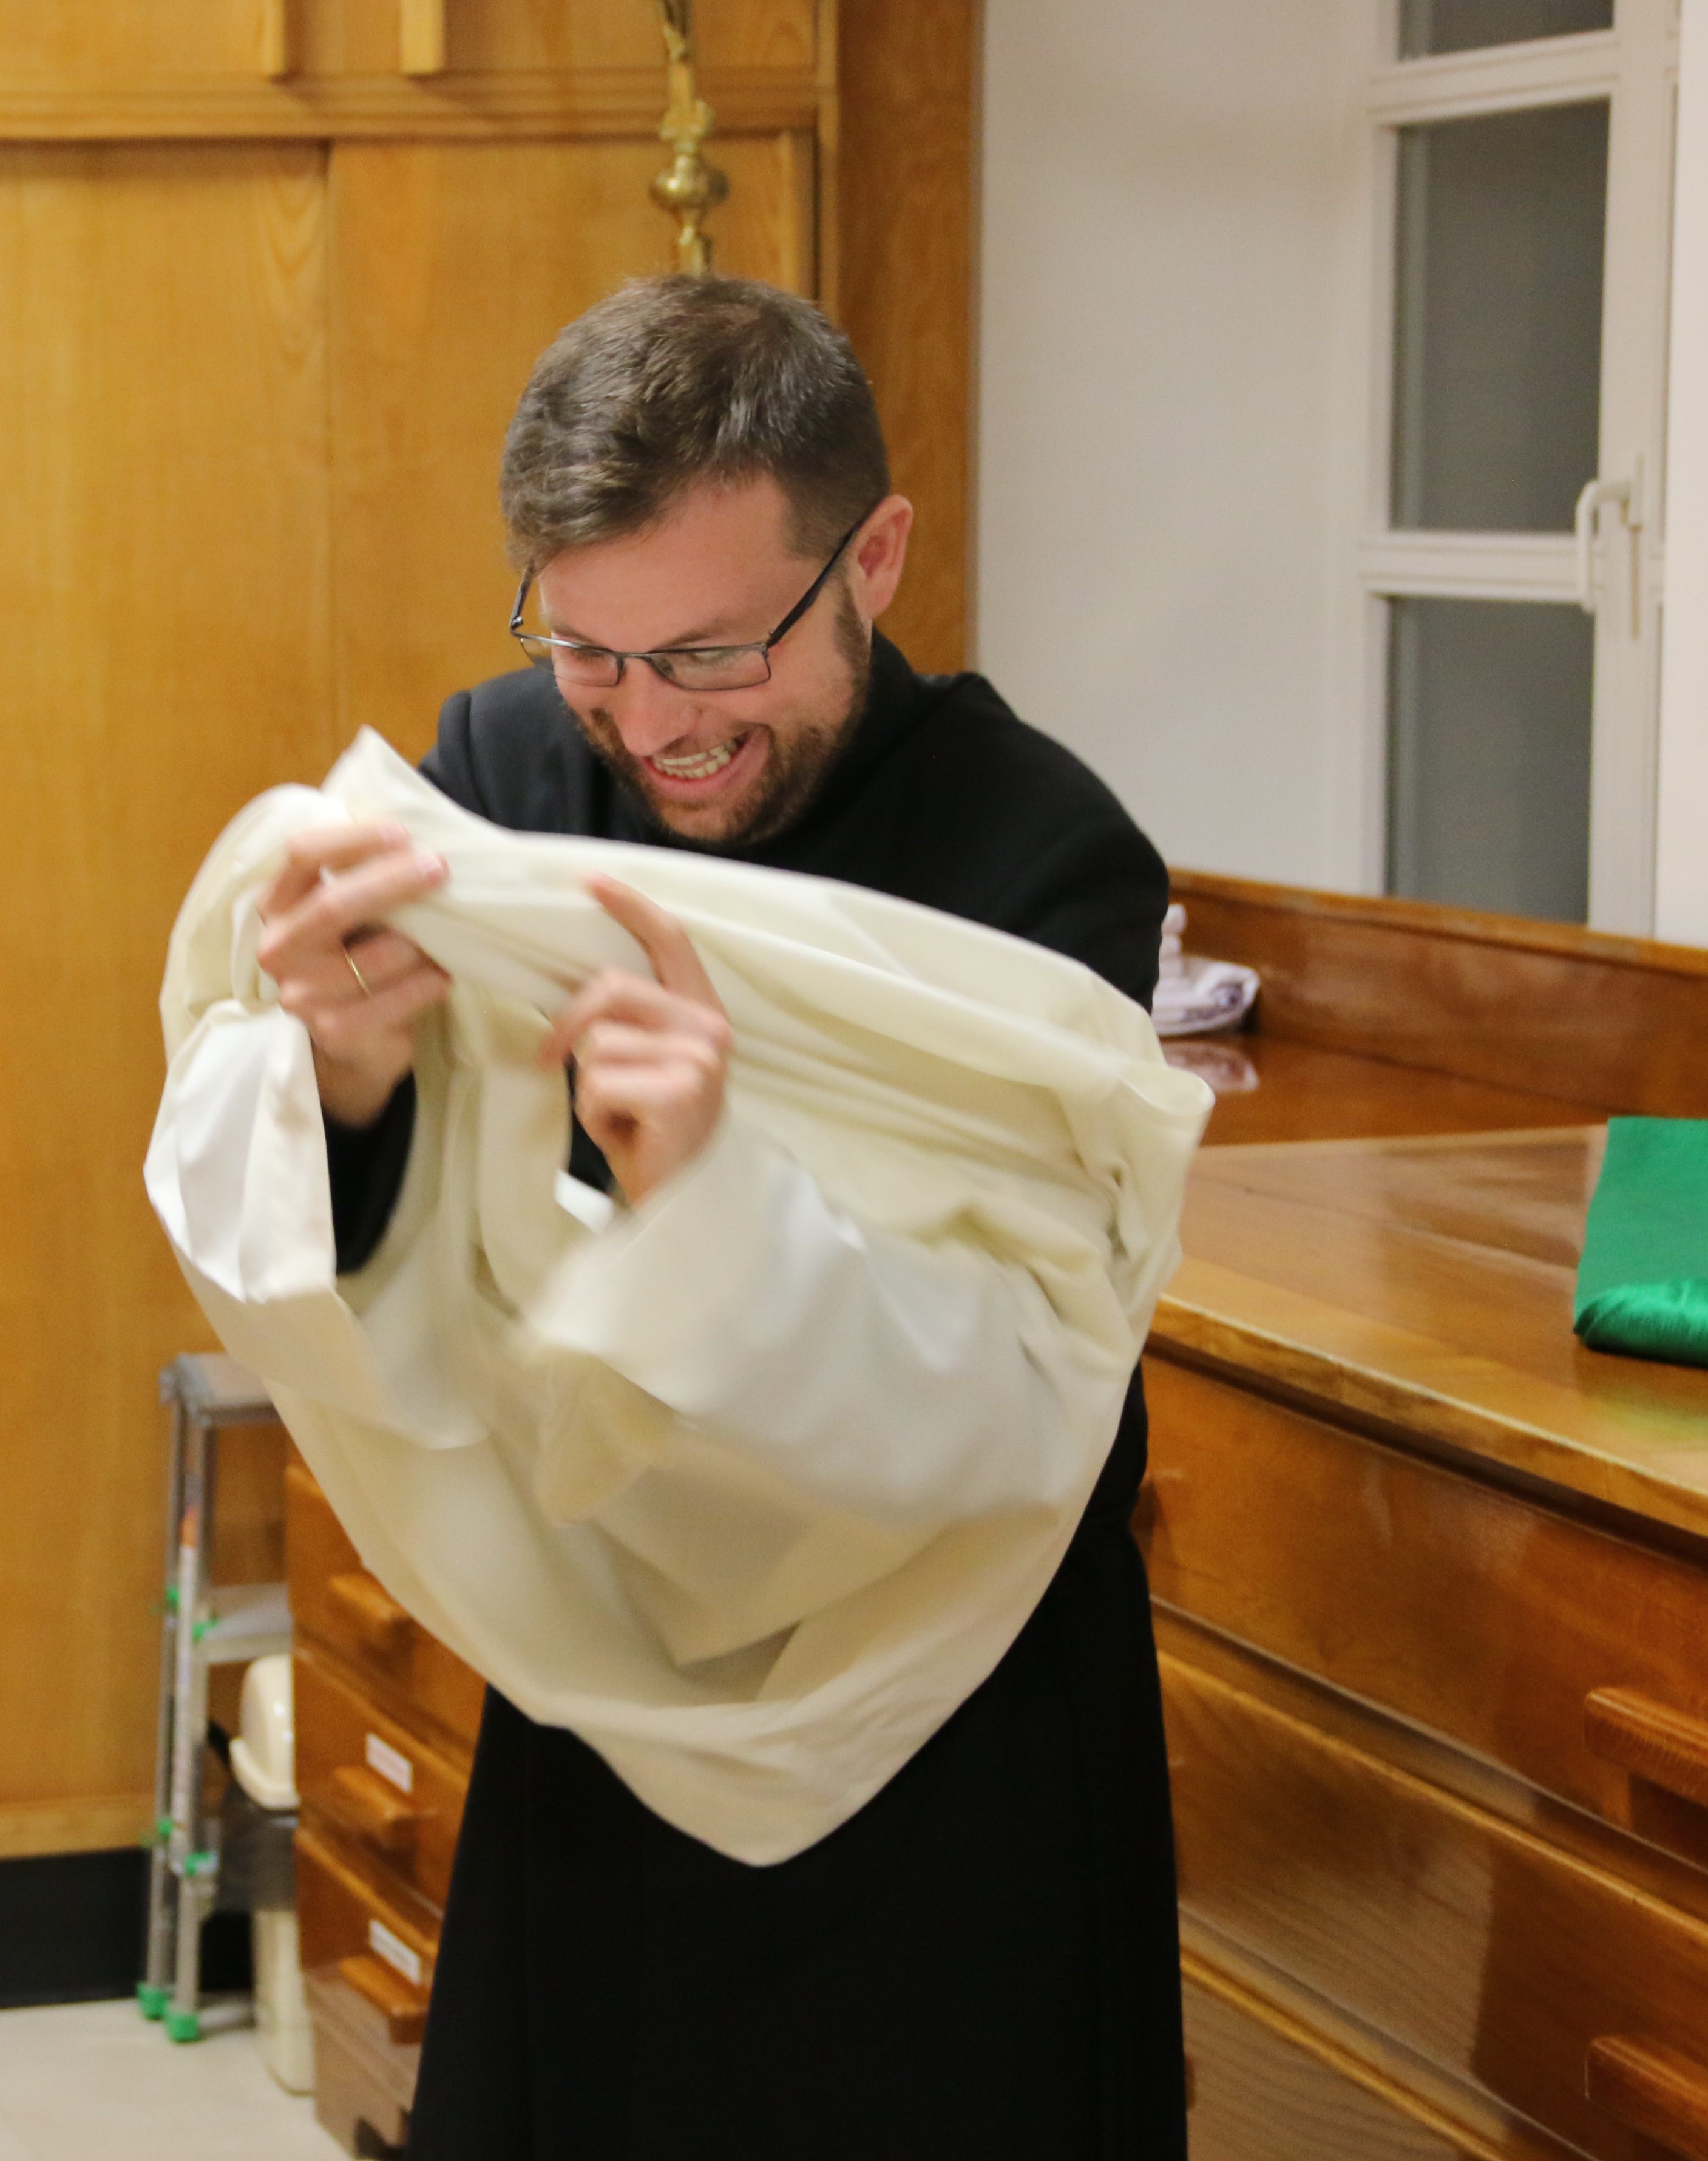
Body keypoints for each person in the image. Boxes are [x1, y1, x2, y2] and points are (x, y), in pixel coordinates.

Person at [257, 274, 1185, 2156]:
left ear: (874, 560)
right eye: (590, 651)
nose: (653, 725)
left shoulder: (1044, 862)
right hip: (606, 1689)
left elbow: (1007, 1379)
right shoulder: (507, 786)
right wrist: (342, 1078)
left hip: (952, 1718)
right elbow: (396, 1245)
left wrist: (715, 1199)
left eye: (709, 652)